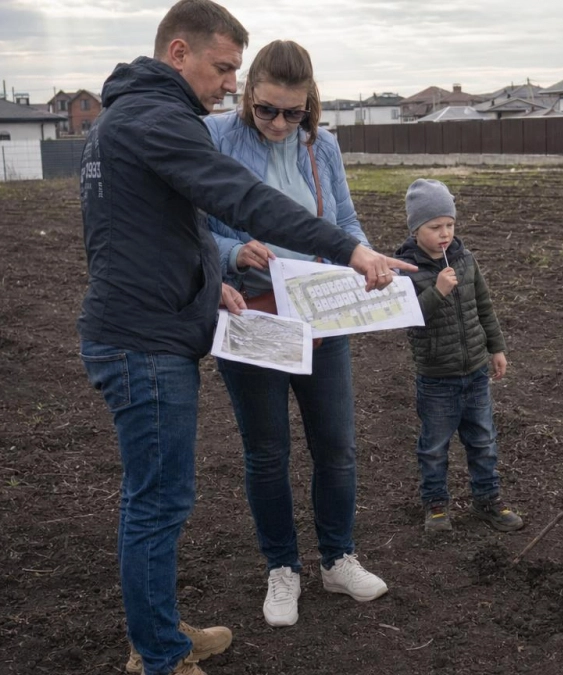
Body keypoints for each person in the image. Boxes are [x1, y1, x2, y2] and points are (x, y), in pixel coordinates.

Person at [77, 2, 415, 674]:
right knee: (160, 500)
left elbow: (161, 227)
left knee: (173, 493)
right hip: (150, 340)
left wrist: (207, 277)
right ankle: (163, 656)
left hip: (173, 325)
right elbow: (241, 201)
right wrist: (343, 250)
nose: (230, 85)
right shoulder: (161, 121)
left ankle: (159, 636)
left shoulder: (137, 117)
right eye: (225, 68)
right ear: (180, 52)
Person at [203, 40, 385, 629]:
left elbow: (344, 222)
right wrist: (231, 251)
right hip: (253, 316)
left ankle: (337, 558)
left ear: (311, 106)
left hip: (319, 315)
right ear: (248, 91)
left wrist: (364, 259)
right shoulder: (213, 139)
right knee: (268, 452)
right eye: (267, 110)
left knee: (336, 446)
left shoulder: (322, 145)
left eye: (294, 112)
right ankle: (283, 568)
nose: (281, 123)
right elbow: (190, 229)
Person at [393, 179, 524, 533]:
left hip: (476, 372)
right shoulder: (405, 271)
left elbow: (484, 306)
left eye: (449, 224)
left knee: (483, 441)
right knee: (434, 447)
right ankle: (436, 505)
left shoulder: (465, 260)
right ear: (415, 228)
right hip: (437, 377)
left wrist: (495, 348)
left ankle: (488, 501)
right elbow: (408, 318)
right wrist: (437, 291)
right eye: (435, 227)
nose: (444, 233)